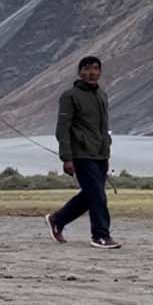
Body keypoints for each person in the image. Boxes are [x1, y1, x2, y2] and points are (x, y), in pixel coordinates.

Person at [46, 56, 119, 249]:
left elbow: (104, 127)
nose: (92, 72)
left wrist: (107, 149)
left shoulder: (102, 95)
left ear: (100, 72)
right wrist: (67, 158)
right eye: (87, 69)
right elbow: (62, 128)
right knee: (97, 195)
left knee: (91, 195)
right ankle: (101, 236)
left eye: (96, 68)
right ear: (80, 73)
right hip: (81, 154)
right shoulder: (70, 96)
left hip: (100, 153)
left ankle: (57, 219)